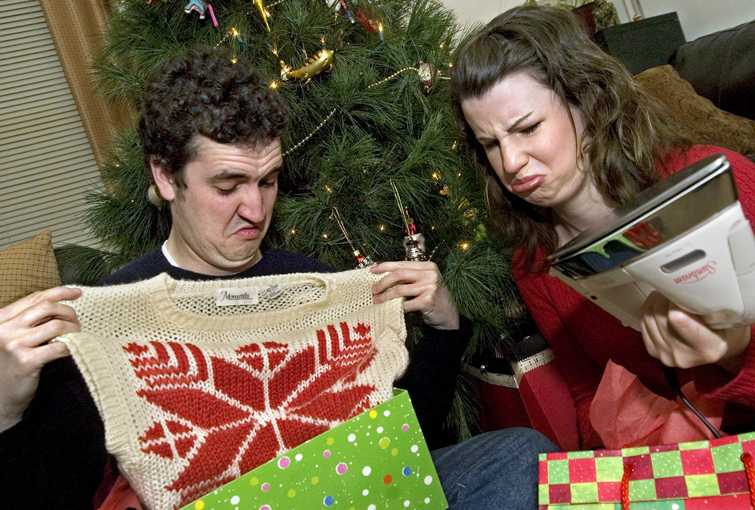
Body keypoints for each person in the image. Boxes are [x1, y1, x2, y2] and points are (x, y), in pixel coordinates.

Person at [0, 48, 554, 509]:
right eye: (228, 185)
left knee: (519, 456)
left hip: (358, 500)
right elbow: (53, 495)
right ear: (165, 177)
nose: (254, 208)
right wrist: (7, 409)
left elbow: (403, 453)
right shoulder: (113, 317)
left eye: (268, 180)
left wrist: (444, 331)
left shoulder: (313, 286)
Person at [451, 4, 755, 450]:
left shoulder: (719, 179)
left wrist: (734, 356)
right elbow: (585, 395)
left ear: (588, 105)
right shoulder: (535, 262)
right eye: (491, 144)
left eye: (529, 128)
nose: (510, 163)